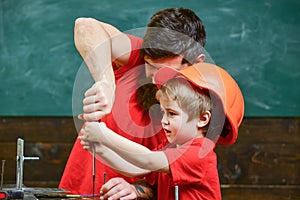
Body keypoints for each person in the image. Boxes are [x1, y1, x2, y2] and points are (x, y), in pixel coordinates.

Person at [60, 7, 210, 199]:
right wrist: (106, 82)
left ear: (197, 63)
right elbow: (86, 26)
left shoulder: (198, 111)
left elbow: (168, 178)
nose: (156, 78)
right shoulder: (136, 59)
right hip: (79, 191)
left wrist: (134, 190)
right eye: (151, 66)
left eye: (166, 71)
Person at [78, 63, 245, 200]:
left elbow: (149, 160)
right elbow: (138, 168)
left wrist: (104, 135)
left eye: (171, 114)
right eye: (163, 112)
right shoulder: (170, 147)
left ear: (202, 119)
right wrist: (100, 150)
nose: (164, 120)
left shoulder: (200, 152)